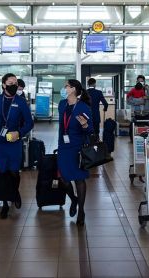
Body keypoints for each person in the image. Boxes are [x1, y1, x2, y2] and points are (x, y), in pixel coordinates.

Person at [0, 73, 34, 219]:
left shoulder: (21, 101)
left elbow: (29, 123)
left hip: (13, 141)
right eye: (11, 82)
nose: (14, 84)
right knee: (2, 172)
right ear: (3, 85)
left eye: (15, 82)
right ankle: (5, 204)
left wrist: (19, 133)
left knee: (14, 172)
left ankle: (15, 192)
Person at [58, 79, 93, 226]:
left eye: (65, 86)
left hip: (77, 147)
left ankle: (81, 211)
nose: (64, 88)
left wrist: (84, 124)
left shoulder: (83, 107)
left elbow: (90, 130)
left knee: (79, 178)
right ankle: (74, 199)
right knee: (63, 179)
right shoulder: (62, 104)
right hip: (63, 146)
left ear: (73, 89)